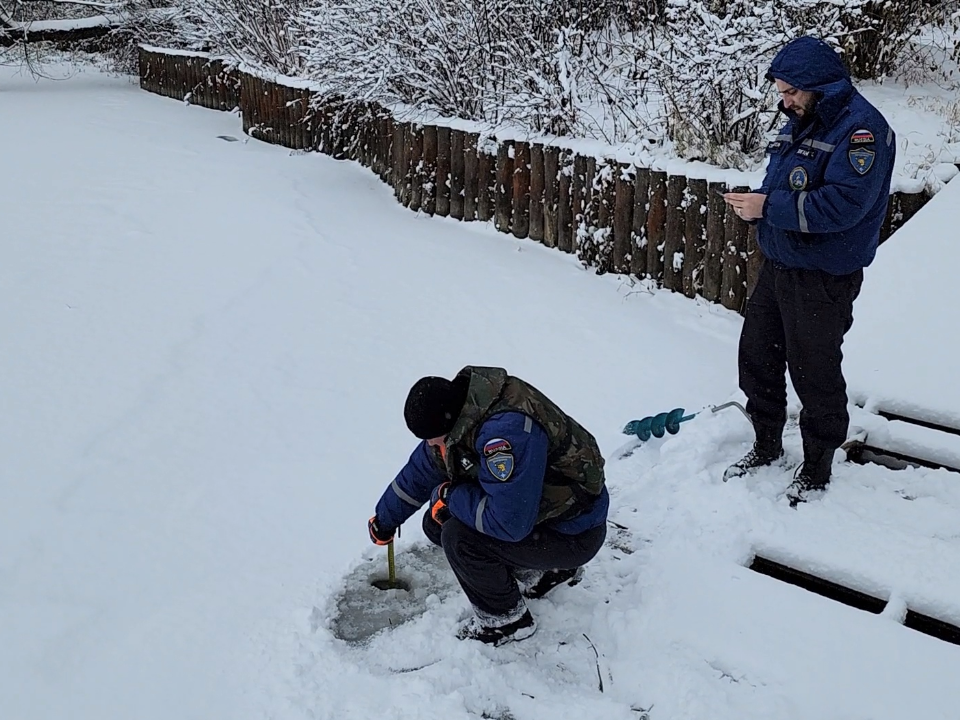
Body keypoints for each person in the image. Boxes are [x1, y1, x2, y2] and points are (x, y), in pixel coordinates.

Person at [722, 36, 896, 506]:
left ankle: (817, 465)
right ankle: (766, 443)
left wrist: (768, 206)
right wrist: (756, 204)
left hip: (822, 275)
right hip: (779, 265)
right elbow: (785, 181)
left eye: (792, 92)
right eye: (781, 93)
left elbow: (844, 206)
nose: (785, 101)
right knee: (756, 357)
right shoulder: (799, 120)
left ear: (821, 85)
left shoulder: (862, 132)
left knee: (813, 370)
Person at [367, 366, 609, 646]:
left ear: (446, 423)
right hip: (548, 514)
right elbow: (421, 471)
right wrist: (385, 519)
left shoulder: (504, 436)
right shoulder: (466, 409)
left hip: (574, 533)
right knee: (435, 524)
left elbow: (510, 523)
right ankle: (543, 571)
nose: (430, 443)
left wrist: (450, 497)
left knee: (457, 537)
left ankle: (506, 620)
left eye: (432, 437)